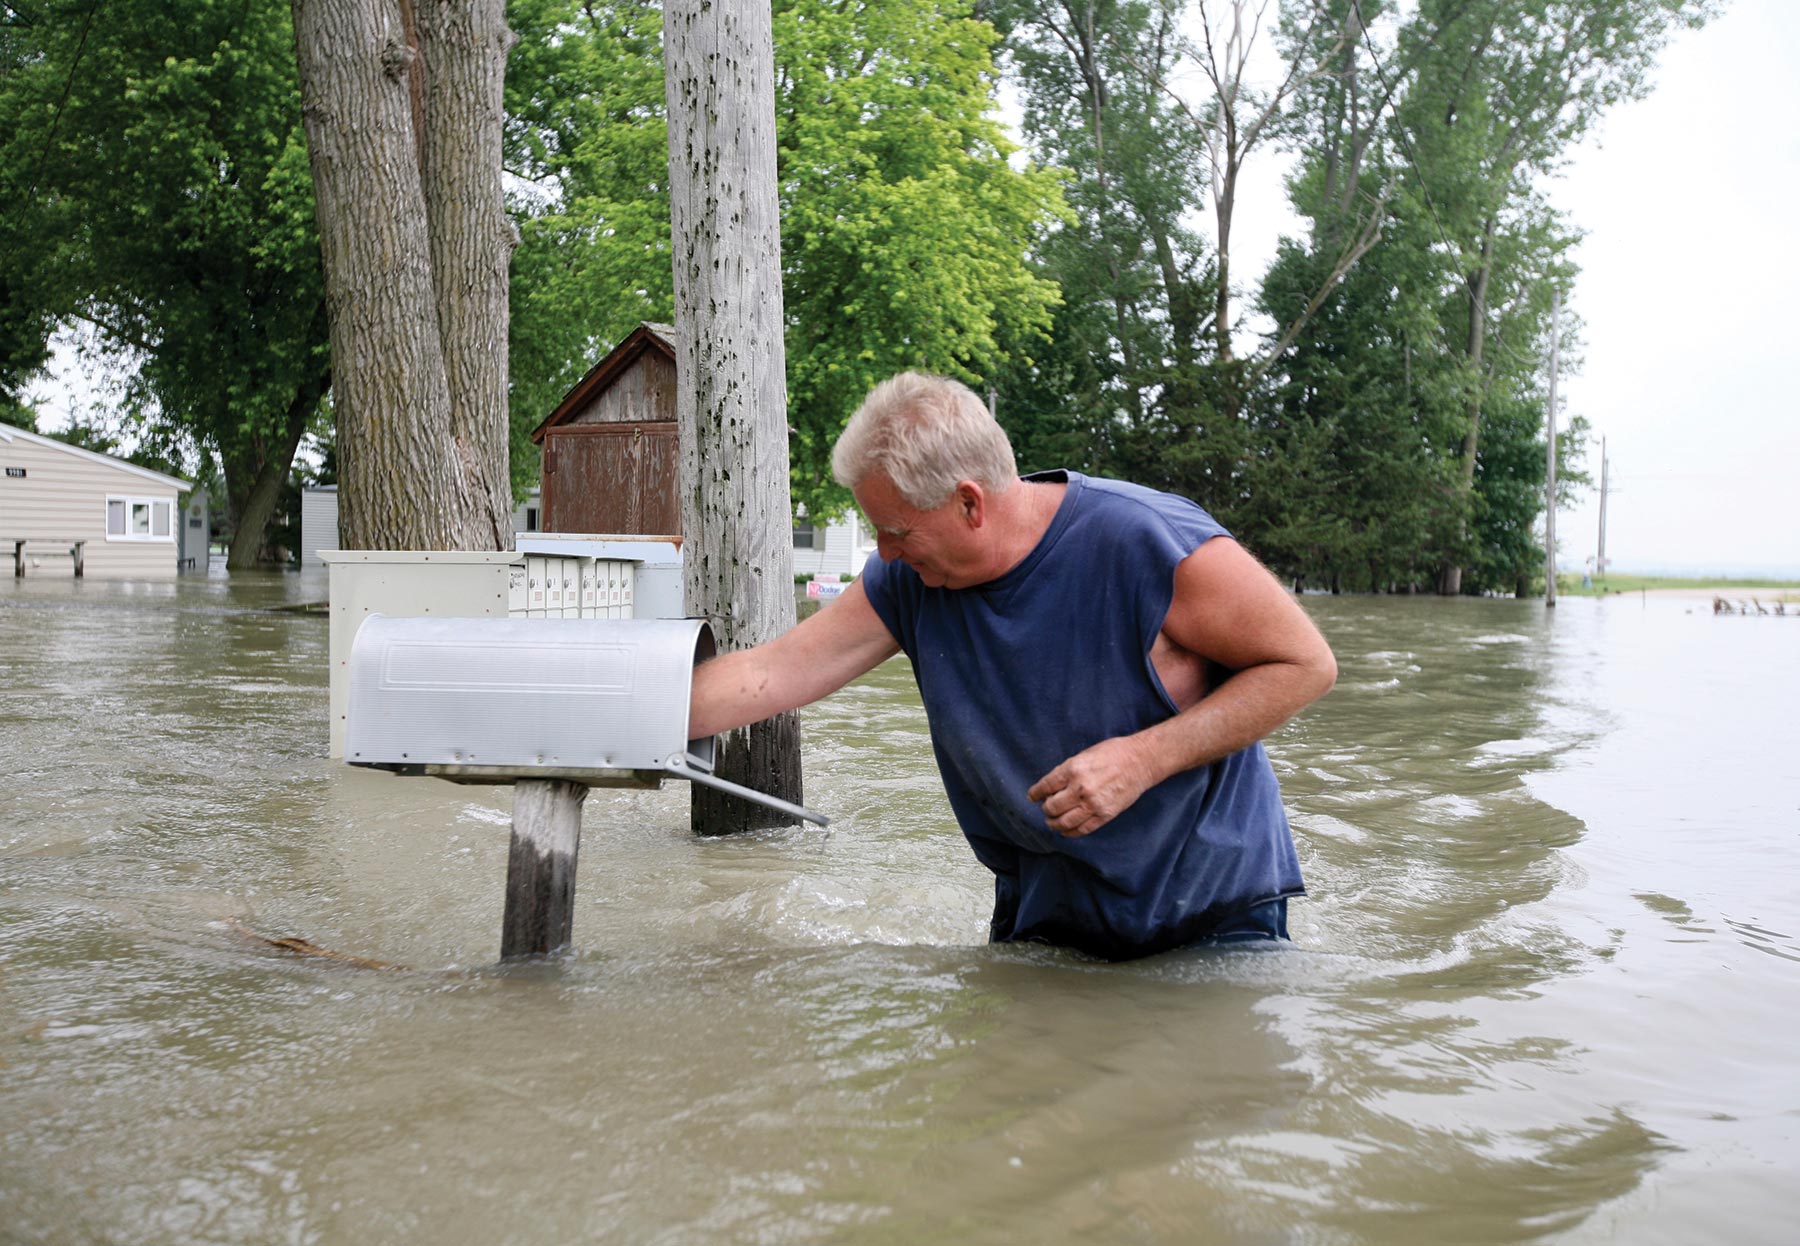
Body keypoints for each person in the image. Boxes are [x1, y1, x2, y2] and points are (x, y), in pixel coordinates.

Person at [689, 372, 1337, 961]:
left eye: (898, 531)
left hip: (1213, 917)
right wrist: (617, 706)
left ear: (970, 503)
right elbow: (771, 675)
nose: (882, 551)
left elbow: (1304, 664)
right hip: (1046, 914)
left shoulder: (1146, 540)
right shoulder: (906, 579)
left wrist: (1146, 757)